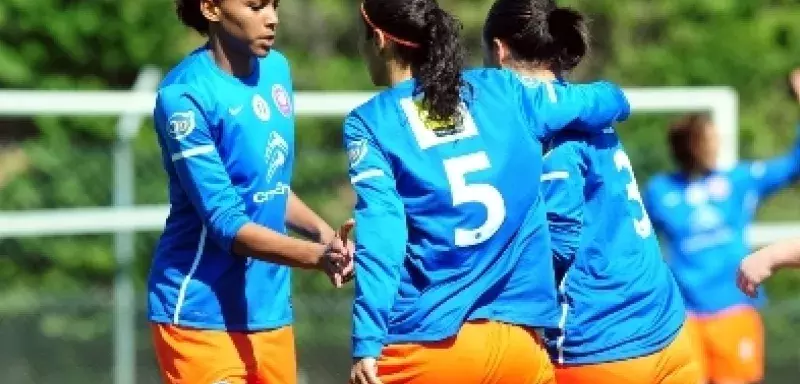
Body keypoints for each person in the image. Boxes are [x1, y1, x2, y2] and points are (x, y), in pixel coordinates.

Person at [345, 0, 630, 383]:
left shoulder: (370, 122)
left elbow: (383, 237)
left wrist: (366, 339)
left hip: (427, 348)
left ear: (378, 40)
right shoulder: (503, 89)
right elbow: (608, 101)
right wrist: (611, 98)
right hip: (520, 348)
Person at [482, 1, 700, 383]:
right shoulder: (585, 110)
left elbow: (559, 244)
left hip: (604, 344)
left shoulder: (549, 134)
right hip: (669, 328)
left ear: (499, 52)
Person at [147, 1, 352, 383]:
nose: (272, 18)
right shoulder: (185, 96)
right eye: (256, 6)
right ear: (210, 8)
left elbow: (267, 187)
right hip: (200, 317)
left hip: (269, 312)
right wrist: (315, 256)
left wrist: (326, 236)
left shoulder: (278, 70)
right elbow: (226, 223)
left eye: (274, 5)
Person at [645, 70, 800, 384]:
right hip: (685, 316)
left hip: (732, 309)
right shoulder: (661, 191)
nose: (715, 144)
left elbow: (794, 163)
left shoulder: (738, 181)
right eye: (708, 138)